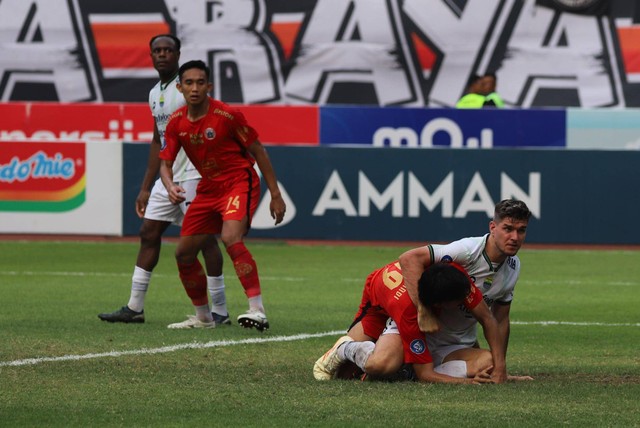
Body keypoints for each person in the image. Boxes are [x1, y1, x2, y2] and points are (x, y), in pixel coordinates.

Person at [98, 35, 230, 327]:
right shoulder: (154, 93)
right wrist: (147, 186)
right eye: (157, 51)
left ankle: (219, 311)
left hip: (195, 175)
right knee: (148, 232)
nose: (162, 55)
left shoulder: (186, 88)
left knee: (205, 240)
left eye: (168, 50)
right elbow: (158, 140)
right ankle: (135, 307)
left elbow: (212, 123)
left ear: (178, 54)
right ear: (151, 56)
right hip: (168, 175)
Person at [158, 60, 286, 331]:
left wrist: (275, 194)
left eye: (200, 82)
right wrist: (169, 185)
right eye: (189, 83)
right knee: (183, 253)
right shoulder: (176, 123)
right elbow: (165, 163)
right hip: (208, 187)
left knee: (230, 237)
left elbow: (259, 150)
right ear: (180, 88)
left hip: (238, 180)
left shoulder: (227, 115)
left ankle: (257, 309)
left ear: (209, 86)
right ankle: (204, 317)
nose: (194, 88)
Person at [398, 199, 533, 383]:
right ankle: (414, 367)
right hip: (422, 335)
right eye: (508, 229)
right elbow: (409, 259)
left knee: (490, 364)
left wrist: (500, 369)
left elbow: (500, 320)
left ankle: (421, 372)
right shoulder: (467, 251)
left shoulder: (513, 267)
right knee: (383, 364)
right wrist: (424, 310)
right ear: (493, 227)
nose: (515, 237)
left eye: (521, 230)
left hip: (456, 346)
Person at [313, 261, 504, 384]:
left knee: (487, 362)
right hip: (380, 305)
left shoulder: (455, 275)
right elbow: (425, 375)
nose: (467, 300)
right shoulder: (409, 312)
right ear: (439, 304)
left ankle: (404, 369)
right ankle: (345, 348)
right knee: (376, 366)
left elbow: (486, 319)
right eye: (461, 300)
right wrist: (466, 382)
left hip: (411, 302)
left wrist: (501, 370)